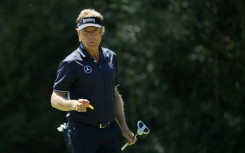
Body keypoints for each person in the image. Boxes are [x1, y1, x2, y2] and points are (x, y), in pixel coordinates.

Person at [50, 8, 137, 153]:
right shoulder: (71, 62)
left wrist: (124, 126)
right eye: (86, 31)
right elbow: (55, 98)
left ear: (102, 32)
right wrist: (74, 104)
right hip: (82, 133)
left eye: (94, 30)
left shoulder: (111, 57)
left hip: (110, 132)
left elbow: (114, 94)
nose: (91, 36)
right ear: (79, 34)